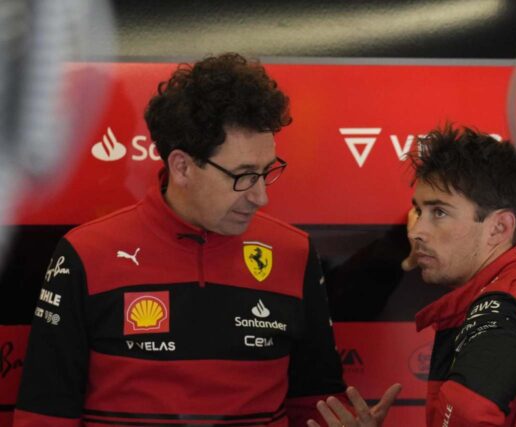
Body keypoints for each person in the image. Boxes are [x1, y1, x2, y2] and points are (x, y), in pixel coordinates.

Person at [14, 53, 346, 427]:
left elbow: (317, 406)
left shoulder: (293, 252)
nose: (260, 197)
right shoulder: (85, 254)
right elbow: (42, 416)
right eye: (243, 176)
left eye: (266, 172)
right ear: (182, 167)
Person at [309, 125, 516, 426]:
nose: (416, 231)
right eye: (418, 212)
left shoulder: (498, 309)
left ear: (499, 228)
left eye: (439, 212)